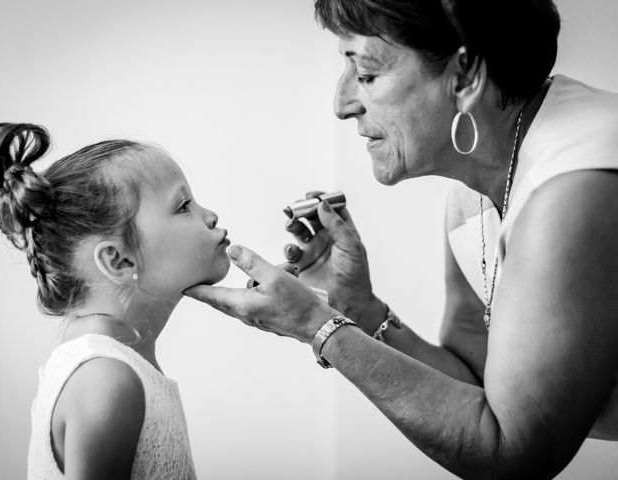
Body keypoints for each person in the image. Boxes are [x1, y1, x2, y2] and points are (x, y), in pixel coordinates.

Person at [184, 0, 618, 478]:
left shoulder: (574, 191)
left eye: (366, 74)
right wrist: (359, 308)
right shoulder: (472, 193)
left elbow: (511, 453)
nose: (342, 104)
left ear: (466, 77)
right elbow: (477, 383)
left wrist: (317, 326)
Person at [0, 123, 233, 479]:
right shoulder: (106, 379)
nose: (210, 216)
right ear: (119, 260)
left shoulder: (116, 365)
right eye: (183, 206)